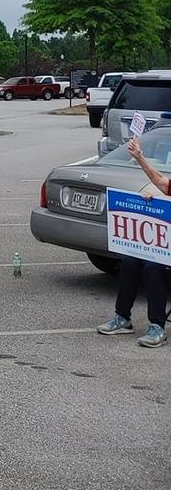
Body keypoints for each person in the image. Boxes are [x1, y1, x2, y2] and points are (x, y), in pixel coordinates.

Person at [97, 134, 169, 349]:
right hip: (163, 242)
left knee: (152, 268)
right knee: (129, 260)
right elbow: (161, 183)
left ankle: (157, 326)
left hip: (166, 248)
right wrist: (139, 158)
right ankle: (122, 318)